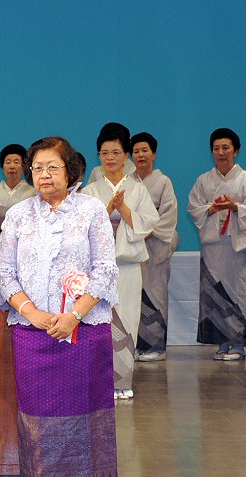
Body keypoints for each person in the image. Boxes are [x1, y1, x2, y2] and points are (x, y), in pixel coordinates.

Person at [0, 136, 119, 477]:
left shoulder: (92, 210)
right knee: (37, 411)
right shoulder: (18, 215)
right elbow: (4, 272)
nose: (43, 174)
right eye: (37, 168)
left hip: (82, 329)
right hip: (33, 331)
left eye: (52, 167)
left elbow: (105, 269)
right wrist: (31, 312)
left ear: (71, 171)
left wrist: (72, 316)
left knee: (83, 409)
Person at [83, 123, 158, 400]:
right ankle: (101, 381)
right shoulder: (90, 191)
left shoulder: (137, 190)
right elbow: (83, 228)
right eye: (104, 153)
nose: (110, 158)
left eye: (116, 152)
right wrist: (106, 210)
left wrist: (123, 209)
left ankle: (124, 380)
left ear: (125, 155)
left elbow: (148, 225)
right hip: (98, 270)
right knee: (98, 320)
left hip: (126, 267)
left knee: (126, 319)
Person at [187, 128, 246, 360]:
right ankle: (222, 342)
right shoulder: (203, 180)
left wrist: (235, 207)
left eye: (226, 148)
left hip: (234, 246)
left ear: (235, 151)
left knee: (236, 291)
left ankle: (237, 342)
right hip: (213, 247)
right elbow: (194, 208)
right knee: (213, 291)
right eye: (216, 148)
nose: (220, 152)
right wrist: (211, 208)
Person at [130, 133, 179, 362]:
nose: (141, 155)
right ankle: (137, 345)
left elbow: (169, 214)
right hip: (132, 248)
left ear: (154, 154)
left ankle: (157, 346)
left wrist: (147, 230)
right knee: (134, 296)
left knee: (155, 295)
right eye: (136, 151)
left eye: (145, 150)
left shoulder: (163, 182)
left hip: (155, 247)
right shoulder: (128, 182)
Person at [0, 144, 36, 248]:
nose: (12, 166)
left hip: (24, 244)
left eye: (16, 162)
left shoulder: (32, 193)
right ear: (2, 167)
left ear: (24, 167)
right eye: (8, 162)